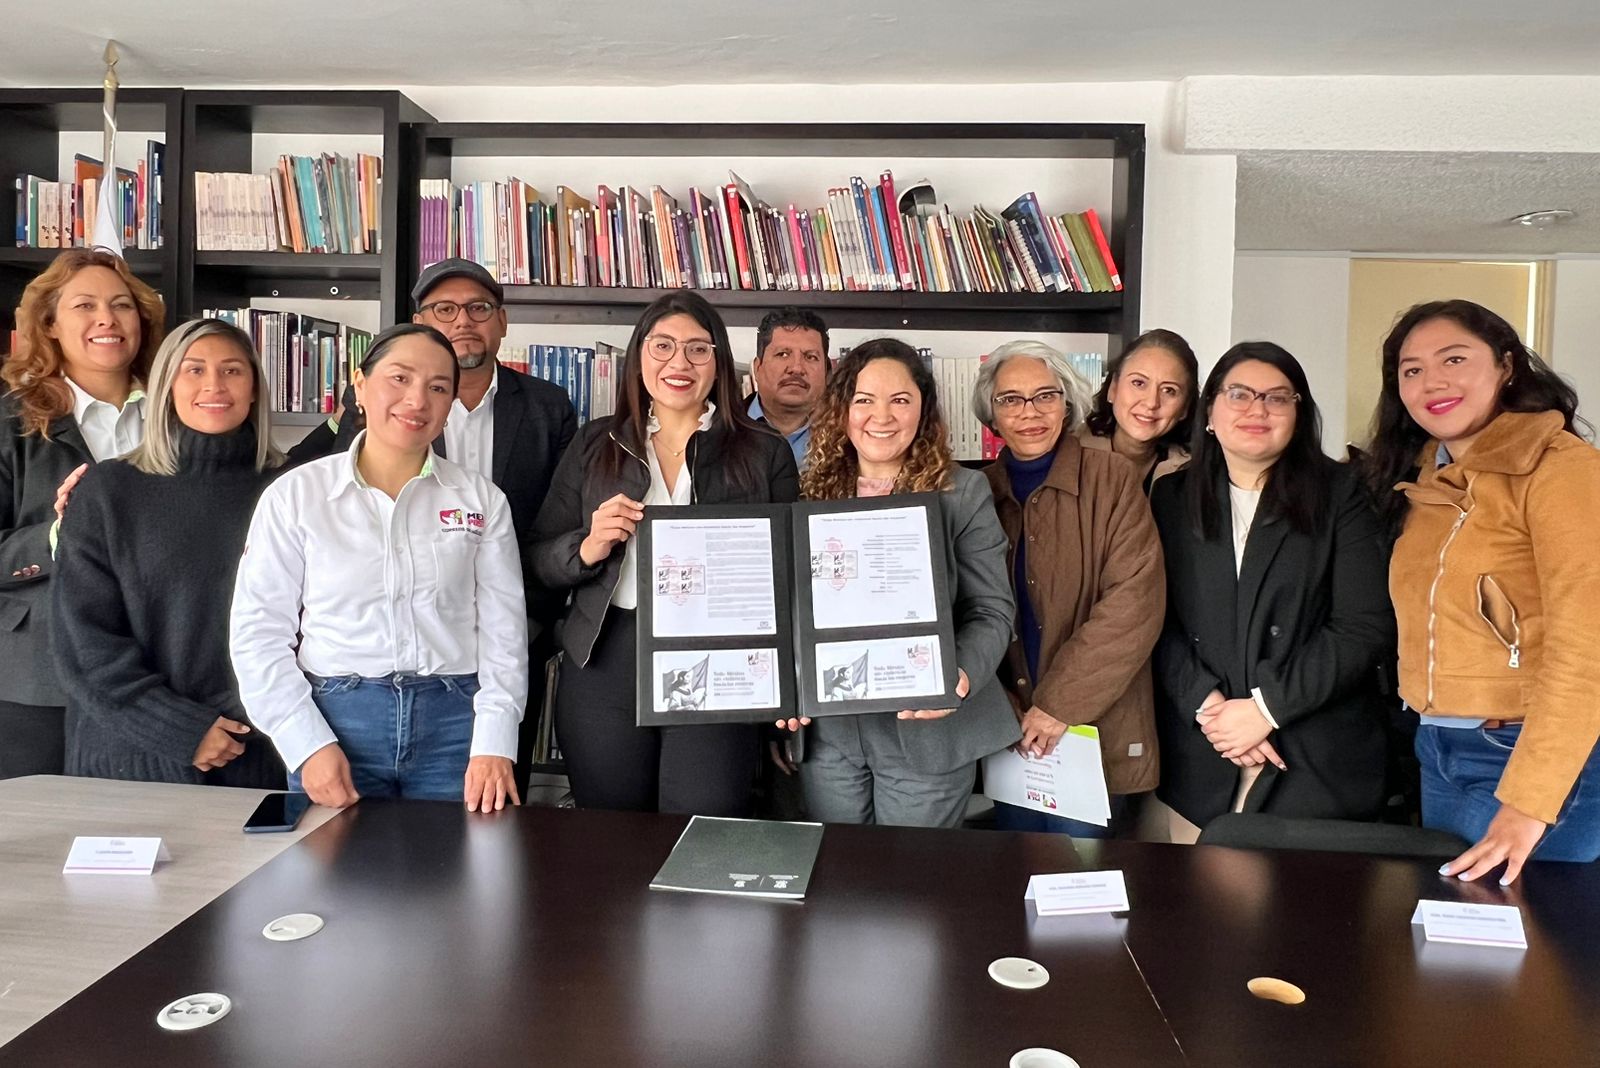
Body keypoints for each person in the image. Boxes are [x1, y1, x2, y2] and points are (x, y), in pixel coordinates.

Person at [288, 258, 577, 788]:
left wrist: (531, 624)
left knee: (489, 802)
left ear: (502, 321)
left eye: (478, 308)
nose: (462, 320)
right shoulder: (330, 461)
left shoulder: (546, 407)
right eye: (444, 309)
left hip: (501, 644)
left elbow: (558, 518)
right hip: (350, 687)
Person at [230, 323, 527, 812]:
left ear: (451, 404)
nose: (417, 400)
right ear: (360, 385)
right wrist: (305, 744)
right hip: (336, 719)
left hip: (456, 721)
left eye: (438, 388)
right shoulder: (295, 496)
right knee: (336, 862)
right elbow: (258, 633)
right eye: (399, 378)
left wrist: (495, 741)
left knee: (460, 861)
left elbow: (504, 632)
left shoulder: (481, 500)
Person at [531, 292, 798, 816]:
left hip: (720, 661)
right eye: (663, 346)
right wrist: (587, 546)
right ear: (639, 356)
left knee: (703, 826)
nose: (680, 362)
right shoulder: (595, 444)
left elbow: (790, 578)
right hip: (607, 656)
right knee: (611, 832)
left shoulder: (763, 450)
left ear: (718, 363)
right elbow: (537, 560)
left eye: (698, 349)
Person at [1364, 300, 1600, 882]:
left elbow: (1587, 646)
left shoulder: (1562, 468)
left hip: (1524, 753)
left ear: (1507, 365)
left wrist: (1530, 801)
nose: (1432, 381)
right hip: (1438, 746)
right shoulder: (1424, 479)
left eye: (1454, 359)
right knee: (1455, 928)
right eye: (1412, 370)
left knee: (1528, 933)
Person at [1150, 342, 1394, 842]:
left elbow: (1363, 626)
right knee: (1198, 891)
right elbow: (1154, 620)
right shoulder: (1172, 497)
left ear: (1299, 414)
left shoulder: (1344, 493)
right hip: (1204, 754)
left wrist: (1264, 710)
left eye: (1277, 398)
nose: (1257, 409)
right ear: (1209, 412)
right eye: (1239, 394)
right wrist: (1211, 711)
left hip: (1313, 757)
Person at [778, 338, 1018, 829]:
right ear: (842, 410)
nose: (881, 416)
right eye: (864, 400)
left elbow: (991, 610)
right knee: (836, 867)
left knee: (909, 872)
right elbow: (787, 613)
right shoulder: (808, 493)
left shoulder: (962, 491)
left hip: (926, 731)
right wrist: (784, 689)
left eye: (900, 400)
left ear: (923, 409)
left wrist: (959, 675)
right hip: (829, 735)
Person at [53, 319, 285, 788]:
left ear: (255, 388)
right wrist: (180, 728)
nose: (214, 385)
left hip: (261, 756)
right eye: (194, 370)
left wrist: (240, 720)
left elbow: (313, 628)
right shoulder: (108, 490)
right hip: (128, 762)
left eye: (233, 370)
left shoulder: (293, 489)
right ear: (166, 388)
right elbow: (84, 641)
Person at [976, 340, 1165, 836]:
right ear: (991, 413)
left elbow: (1133, 605)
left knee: (1082, 874)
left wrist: (1057, 706)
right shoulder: (976, 493)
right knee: (1013, 870)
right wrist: (1006, 709)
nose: (1029, 412)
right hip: (1007, 730)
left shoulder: (1113, 480)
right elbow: (965, 612)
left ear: (1067, 403)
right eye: (1010, 399)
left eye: (1045, 395)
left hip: (1093, 730)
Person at [0, 248, 164, 779]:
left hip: (160, 674)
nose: (106, 319)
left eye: (122, 305)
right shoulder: (10, 421)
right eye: (85, 305)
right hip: (39, 679)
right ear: (49, 324)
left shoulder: (178, 415)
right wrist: (59, 535)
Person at [1080, 328, 1199, 493]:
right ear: (1113, 389)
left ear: (1185, 407)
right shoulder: (1069, 454)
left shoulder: (1198, 472)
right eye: (1139, 383)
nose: (1151, 403)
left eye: (1169, 390)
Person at [747, 307, 830, 466]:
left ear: (826, 372)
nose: (797, 368)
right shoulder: (716, 432)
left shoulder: (849, 439)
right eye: (783, 354)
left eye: (810, 357)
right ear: (757, 368)